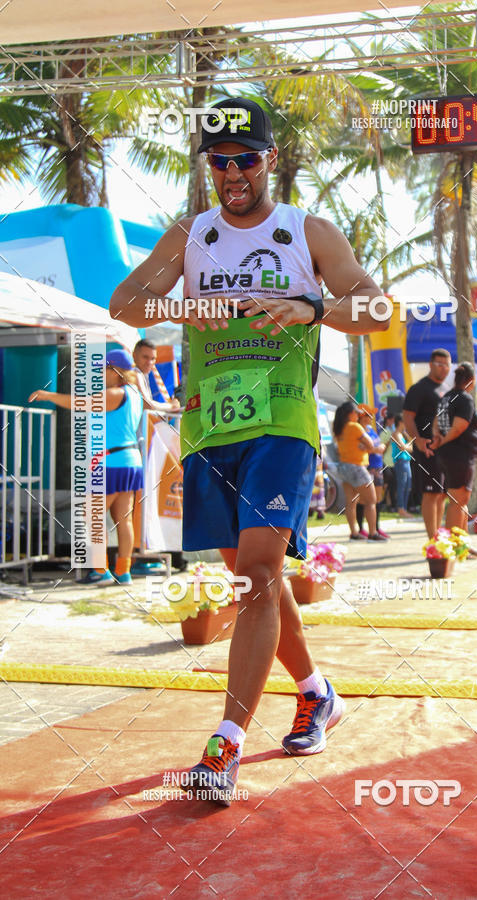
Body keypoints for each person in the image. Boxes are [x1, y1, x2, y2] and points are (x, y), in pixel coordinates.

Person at [109, 96, 388, 805]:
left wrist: (313, 308)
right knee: (252, 583)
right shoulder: (191, 233)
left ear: (270, 160)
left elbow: (376, 307)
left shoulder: (306, 231)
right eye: (220, 161)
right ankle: (318, 692)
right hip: (210, 429)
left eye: (247, 159)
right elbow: (125, 302)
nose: (234, 173)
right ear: (209, 167)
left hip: (283, 425)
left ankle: (224, 747)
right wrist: (183, 305)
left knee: (261, 571)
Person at [29, 349, 144, 585]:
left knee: (92, 516)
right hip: (130, 460)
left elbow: (80, 403)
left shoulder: (114, 394)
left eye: (104, 369)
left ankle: (100, 571)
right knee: (124, 520)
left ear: (115, 371)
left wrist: (49, 396)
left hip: (110, 463)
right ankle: (124, 571)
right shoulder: (134, 394)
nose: (100, 373)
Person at [130, 338, 181, 576]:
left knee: (139, 501)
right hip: (137, 447)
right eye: (145, 357)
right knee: (137, 501)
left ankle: (138, 553)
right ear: (134, 355)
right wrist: (169, 408)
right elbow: (146, 405)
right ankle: (137, 555)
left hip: (141, 446)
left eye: (152, 358)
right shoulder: (134, 374)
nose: (149, 362)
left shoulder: (142, 376)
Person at [402, 348, 451, 538]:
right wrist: (418, 440)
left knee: (442, 494)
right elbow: (407, 417)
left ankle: (439, 535)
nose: (444, 369)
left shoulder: (447, 390)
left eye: (447, 365)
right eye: (440, 364)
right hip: (427, 448)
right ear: (431, 365)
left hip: (445, 449)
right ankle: (433, 540)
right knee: (431, 493)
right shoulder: (419, 389)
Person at [432, 362, 477, 534]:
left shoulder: (446, 397)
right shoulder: (464, 398)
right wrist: (443, 440)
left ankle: (463, 542)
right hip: (459, 455)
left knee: (461, 500)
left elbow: (436, 423)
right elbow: (458, 427)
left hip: (449, 454)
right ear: (472, 380)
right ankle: (453, 543)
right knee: (458, 500)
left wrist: (438, 439)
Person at [333, 401, 386, 541]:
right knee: (371, 501)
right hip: (357, 467)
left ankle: (354, 533)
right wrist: (371, 447)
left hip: (343, 466)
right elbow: (370, 444)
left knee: (351, 503)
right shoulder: (354, 426)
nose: (358, 415)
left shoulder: (339, 428)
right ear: (350, 414)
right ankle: (373, 532)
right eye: (356, 412)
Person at [355, 404, 389, 539]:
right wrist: (375, 449)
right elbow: (361, 448)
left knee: (377, 498)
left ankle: (376, 527)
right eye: (369, 415)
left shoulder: (370, 429)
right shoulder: (358, 430)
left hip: (377, 465)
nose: (371, 418)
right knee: (364, 499)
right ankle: (361, 528)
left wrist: (380, 446)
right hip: (366, 466)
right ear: (362, 417)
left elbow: (377, 443)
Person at [389, 414, 413, 518]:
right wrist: (407, 446)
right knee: (402, 486)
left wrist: (406, 444)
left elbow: (411, 447)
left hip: (406, 462)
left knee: (408, 485)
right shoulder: (396, 434)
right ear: (401, 422)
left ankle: (404, 508)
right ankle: (401, 509)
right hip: (400, 462)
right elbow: (403, 447)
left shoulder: (402, 434)